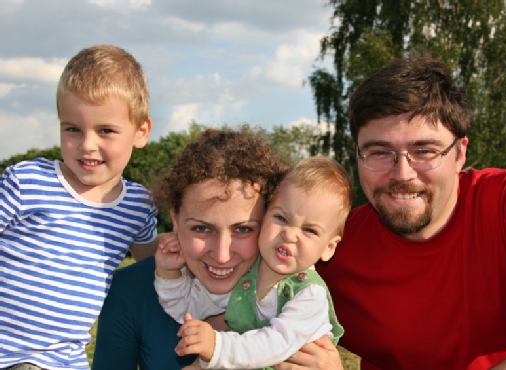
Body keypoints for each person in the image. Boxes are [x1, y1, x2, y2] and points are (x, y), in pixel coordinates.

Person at [314, 57, 506, 369]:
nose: (402, 173)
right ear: (358, 156)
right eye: (379, 152)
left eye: (424, 151)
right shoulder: (329, 247)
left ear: (460, 153)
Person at [0, 45, 161, 370]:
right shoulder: (27, 181)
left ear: (141, 131)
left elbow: (155, 269)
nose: (87, 144)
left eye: (105, 131)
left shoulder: (138, 206)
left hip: (66, 361)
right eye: (73, 128)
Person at [91, 127, 290, 370]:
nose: (221, 254)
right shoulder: (129, 291)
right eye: (202, 229)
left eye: (243, 229)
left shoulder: (292, 295)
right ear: (175, 219)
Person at [156, 156, 351, 369]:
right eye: (281, 218)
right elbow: (188, 306)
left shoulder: (309, 294)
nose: (290, 235)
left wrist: (217, 346)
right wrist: (169, 273)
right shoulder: (248, 272)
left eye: (309, 230)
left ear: (329, 247)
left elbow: (276, 343)